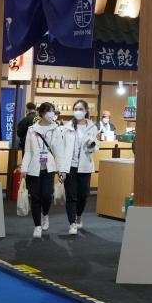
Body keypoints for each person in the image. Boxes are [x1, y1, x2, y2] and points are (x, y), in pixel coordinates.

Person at [21, 102, 65, 239]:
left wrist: (61, 169)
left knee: (47, 195)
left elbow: (59, 151)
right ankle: (37, 226)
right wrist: (24, 168)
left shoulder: (56, 129)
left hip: (49, 168)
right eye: (49, 111)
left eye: (53, 111)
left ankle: (45, 214)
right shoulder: (32, 129)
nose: (52, 114)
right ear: (42, 113)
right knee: (35, 197)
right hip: (34, 168)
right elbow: (28, 151)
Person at [63, 99, 98, 234]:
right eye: (76, 109)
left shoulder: (92, 127)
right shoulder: (67, 127)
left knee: (83, 195)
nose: (78, 111)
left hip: (85, 166)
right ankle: (72, 223)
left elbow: (96, 146)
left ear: (86, 111)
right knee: (71, 196)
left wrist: (91, 146)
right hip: (70, 166)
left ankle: (78, 216)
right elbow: (62, 148)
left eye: (81, 109)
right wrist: (61, 168)